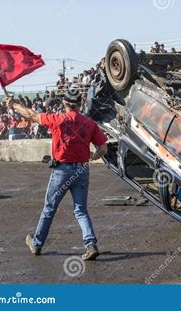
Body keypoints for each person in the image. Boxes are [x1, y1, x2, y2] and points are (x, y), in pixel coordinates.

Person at [6, 88, 108, 260]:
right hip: (82, 169)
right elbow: (103, 148)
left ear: (65, 104)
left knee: (50, 209)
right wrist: (92, 156)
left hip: (61, 170)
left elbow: (31, 115)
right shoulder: (90, 123)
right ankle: (90, 244)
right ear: (80, 104)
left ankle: (37, 244)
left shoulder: (57, 119)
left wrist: (14, 104)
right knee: (81, 210)